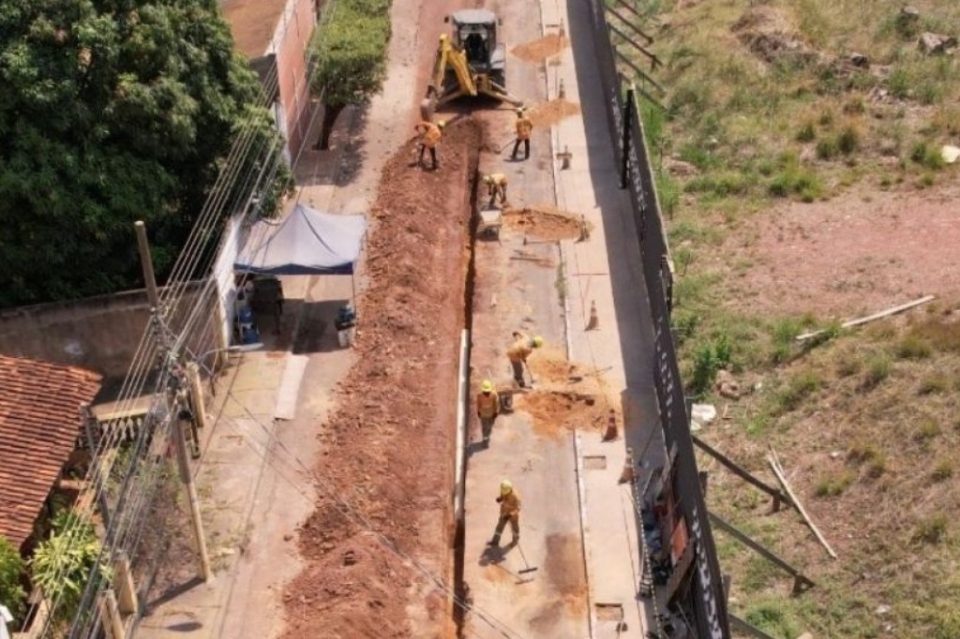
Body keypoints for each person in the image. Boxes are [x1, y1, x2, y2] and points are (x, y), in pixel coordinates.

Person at [488, 479, 521, 547]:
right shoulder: (504, 490)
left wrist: (510, 514)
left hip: (512, 516)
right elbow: (503, 495)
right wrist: (500, 498)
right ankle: (495, 541)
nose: (503, 493)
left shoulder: (516, 496)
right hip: (504, 513)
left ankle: (515, 541)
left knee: (514, 528)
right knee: (499, 527)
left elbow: (518, 508)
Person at [476, 379, 500, 448]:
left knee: (489, 427)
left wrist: (496, 412)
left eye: (487, 391)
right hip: (483, 415)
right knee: (484, 428)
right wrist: (478, 411)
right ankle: (485, 441)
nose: (486, 393)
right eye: (485, 391)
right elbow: (478, 404)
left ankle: (487, 437)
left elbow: (496, 404)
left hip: (491, 415)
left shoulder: (494, 395)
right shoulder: (479, 396)